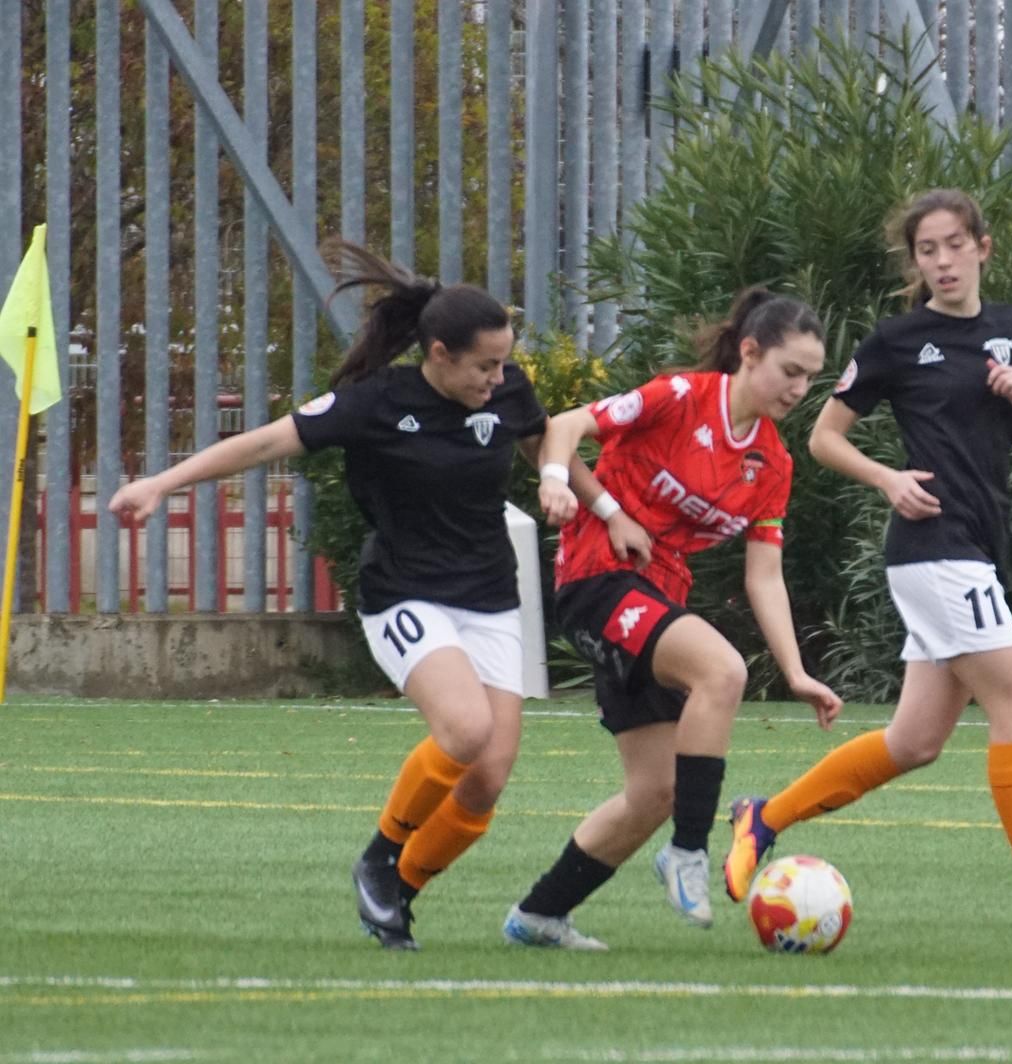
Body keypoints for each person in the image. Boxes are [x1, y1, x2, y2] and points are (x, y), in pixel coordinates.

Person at [109, 240, 641, 951]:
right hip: (405, 596)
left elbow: (550, 445)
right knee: (464, 729)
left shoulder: (505, 392)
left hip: (490, 597)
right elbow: (264, 445)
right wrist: (159, 484)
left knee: (487, 778)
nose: (499, 376)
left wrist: (602, 508)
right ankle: (379, 858)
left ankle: (398, 894)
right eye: (485, 364)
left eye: (505, 362)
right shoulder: (376, 403)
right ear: (440, 354)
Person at [722, 190, 1012, 926]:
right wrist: (888, 480)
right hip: (933, 546)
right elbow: (824, 437)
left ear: (983, 247)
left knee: (914, 742)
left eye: (953, 245)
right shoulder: (896, 341)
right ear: (915, 262)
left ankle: (763, 817)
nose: (941, 261)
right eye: (926, 251)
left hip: (979, 541)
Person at [503, 288, 842, 951]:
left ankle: (540, 914)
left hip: (657, 601)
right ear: (749, 352)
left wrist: (798, 672)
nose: (800, 388)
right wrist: (569, 490)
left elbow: (763, 574)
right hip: (597, 580)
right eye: (790, 371)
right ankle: (689, 852)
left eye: (810, 377)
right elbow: (565, 426)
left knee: (654, 790)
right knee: (722, 671)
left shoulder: (772, 463)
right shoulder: (682, 397)